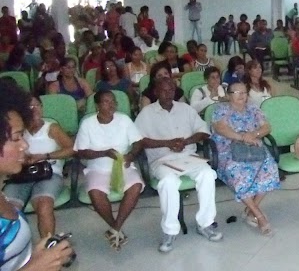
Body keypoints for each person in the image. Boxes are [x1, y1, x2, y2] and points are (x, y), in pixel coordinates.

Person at [136, 78, 221, 253]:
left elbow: (203, 130)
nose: (168, 94)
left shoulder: (185, 109)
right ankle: (169, 231)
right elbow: (139, 140)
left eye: (171, 90)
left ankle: (205, 224)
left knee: (207, 174)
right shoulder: (147, 113)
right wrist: (168, 143)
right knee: (168, 182)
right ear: (156, 92)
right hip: (162, 159)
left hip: (188, 156)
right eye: (164, 90)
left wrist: (187, 141)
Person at [0, 80, 75, 270]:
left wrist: (37, 258)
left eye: (37, 105)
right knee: (16, 201)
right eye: (17, 138)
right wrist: (35, 266)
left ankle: (49, 243)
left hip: (47, 173)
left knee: (43, 204)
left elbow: (72, 149)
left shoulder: (51, 127)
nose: (24, 146)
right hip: (23, 176)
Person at [74, 91, 144, 251]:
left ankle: (115, 228)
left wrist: (131, 155)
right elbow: (81, 152)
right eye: (106, 102)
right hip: (97, 168)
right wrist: (103, 153)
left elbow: (138, 142)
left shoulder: (124, 120)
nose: (111, 105)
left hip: (122, 166)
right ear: (97, 105)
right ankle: (116, 228)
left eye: (113, 101)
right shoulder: (88, 124)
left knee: (136, 186)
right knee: (95, 192)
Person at [211, 82, 280, 236]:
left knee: (270, 168)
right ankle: (260, 217)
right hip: (228, 150)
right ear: (229, 95)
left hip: (253, 148)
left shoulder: (253, 108)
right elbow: (221, 128)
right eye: (237, 92)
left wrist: (253, 135)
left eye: (244, 92)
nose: (242, 95)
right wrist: (242, 137)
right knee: (238, 173)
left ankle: (250, 210)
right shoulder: (221, 110)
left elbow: (266, 127)